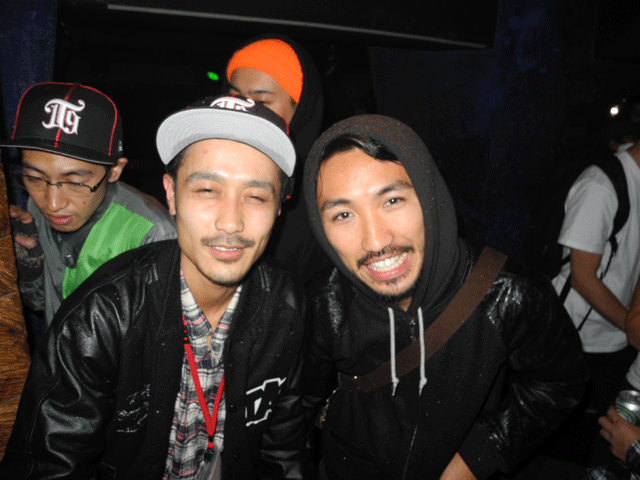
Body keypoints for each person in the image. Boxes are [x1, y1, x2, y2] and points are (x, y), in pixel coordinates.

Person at [0, 94, 308, 479]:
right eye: (207, 190)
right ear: (171, 194)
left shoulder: (286, 303)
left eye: (256, 196)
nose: (231, 222)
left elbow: (284, 450)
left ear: (279, 207)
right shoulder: (99, 318)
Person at [301, 114, 588, 480]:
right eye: (343, 214)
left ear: (429, 194)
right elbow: (297, 403)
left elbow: (560, 382)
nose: (375, 241)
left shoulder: (507, 295)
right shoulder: (324, 302)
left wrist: (480, 456)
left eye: (392, 200)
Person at [1, 82, 177, 332]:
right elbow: (44, 305)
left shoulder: (155, 236)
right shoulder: (34, 206)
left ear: (114, 170)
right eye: (35, 178)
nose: (52, 204)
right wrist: (29, 270)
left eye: (75, 183)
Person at [225, 34, 329, 283]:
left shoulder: (324, 187)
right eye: (236, 97)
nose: (245, 110)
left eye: (262, 101)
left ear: (300, 108)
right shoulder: (213, 164)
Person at [551, 135, 640, 420]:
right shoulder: (600, 185)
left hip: (616, 336)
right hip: (576, 336)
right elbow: (582, 278)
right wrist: (632, 326)